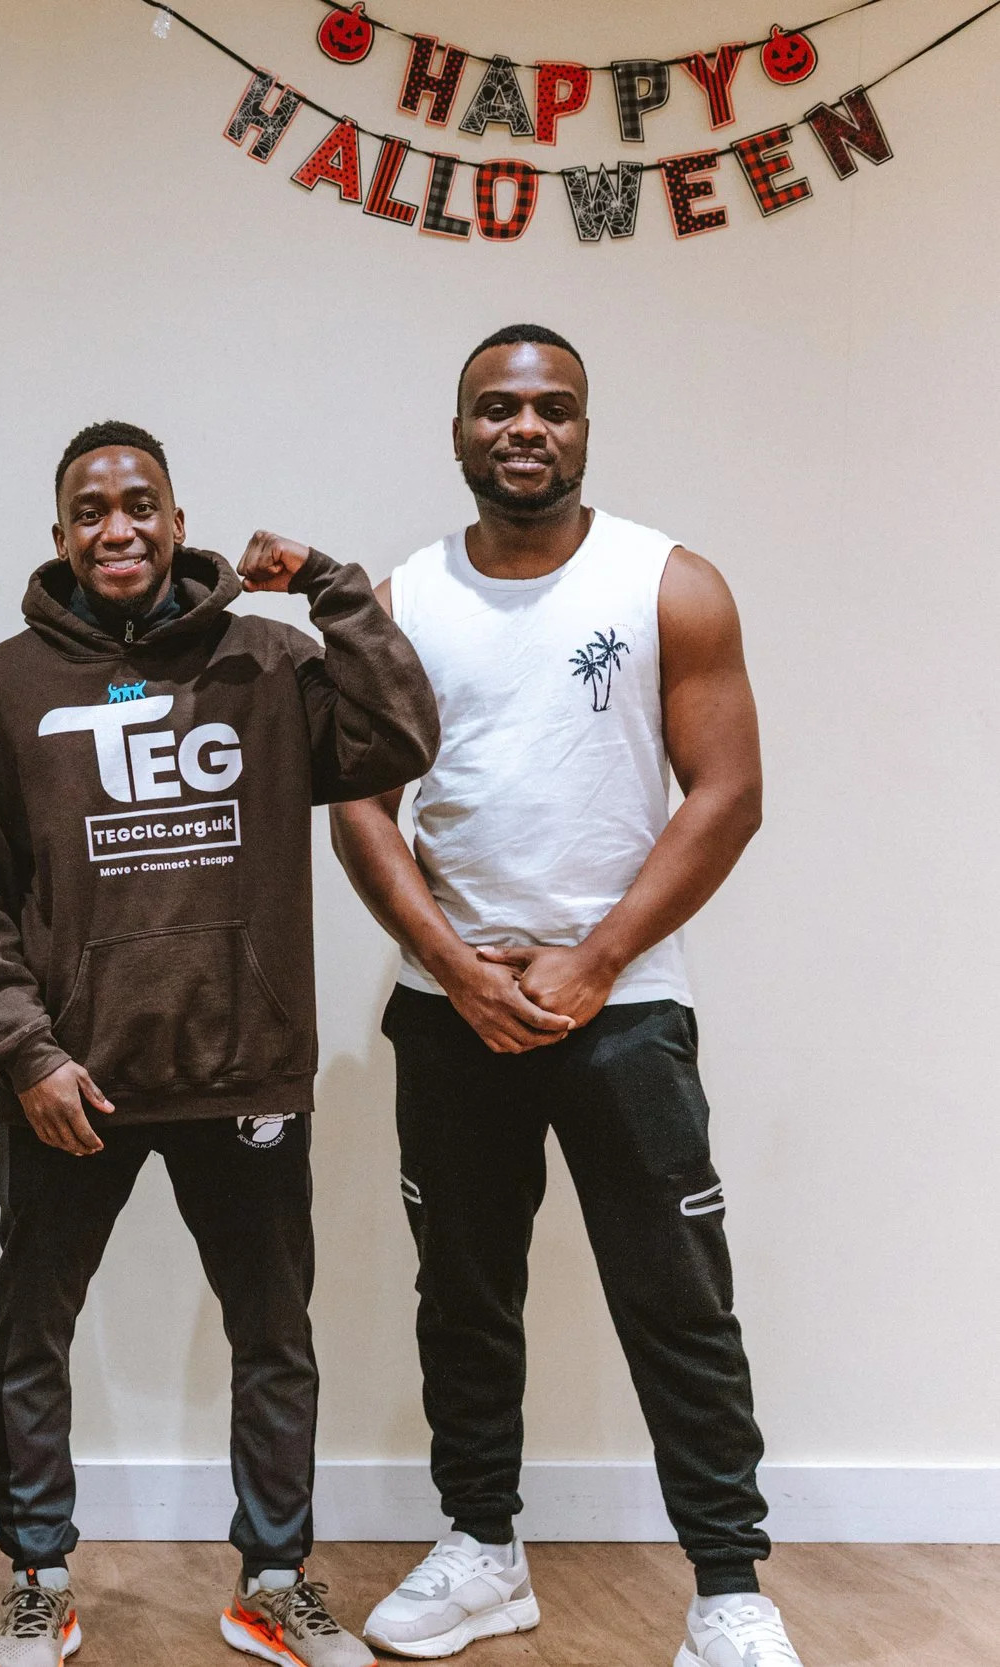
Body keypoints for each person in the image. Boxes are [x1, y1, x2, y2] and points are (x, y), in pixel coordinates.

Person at [331, 326, 801, 1667]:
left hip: (630, 1005)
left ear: (584, 428)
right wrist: (457, 963)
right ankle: (484, 1548)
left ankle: (727, 1590)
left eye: (550, 407)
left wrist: (593, 960)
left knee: (679, 1297)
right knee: (464, 1294)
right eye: (496, 407)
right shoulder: (402, 599)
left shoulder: (670, 583)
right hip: (450, 1006)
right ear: (460, 430)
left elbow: (730, 793)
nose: (522, 427)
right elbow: (357, 803)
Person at [0, 423, 438, 1667]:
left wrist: (332, 585)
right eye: (90, 510)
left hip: (244, 1071)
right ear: (58, 535)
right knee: (30, 1332)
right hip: (74, 1084)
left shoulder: (265, 662)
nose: (117, 527)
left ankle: (272, 1579)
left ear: (176, 518)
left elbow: (400, 735)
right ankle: (37, 1577)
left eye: (139, 503)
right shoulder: (4, 686)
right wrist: (25, 1055)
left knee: (275, 1335)